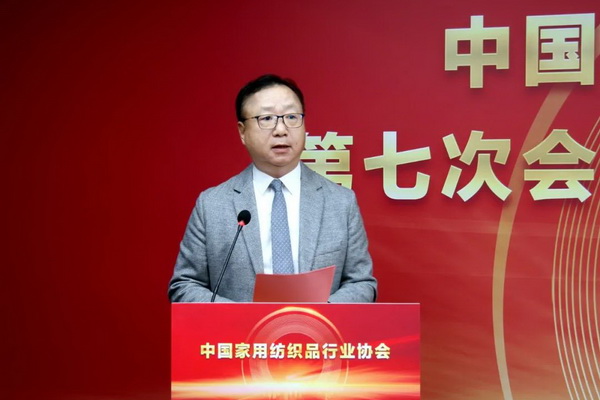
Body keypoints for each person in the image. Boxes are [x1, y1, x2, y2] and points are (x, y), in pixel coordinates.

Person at [168, 74, 376, 302]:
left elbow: (361, 283)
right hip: (240, 326)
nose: (281, 130)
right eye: (266, 118)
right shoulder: (212, 205)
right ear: (242, 132)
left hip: (318, 325)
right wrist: (242, 316)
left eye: (291, 117)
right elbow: (185, 285)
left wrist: (316, 314)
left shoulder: (341, 202)